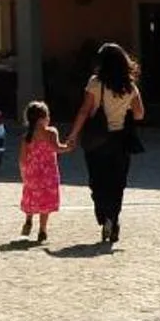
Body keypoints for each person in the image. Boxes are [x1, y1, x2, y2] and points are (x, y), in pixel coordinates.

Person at [60, 42, 145, 245]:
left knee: (97, 181)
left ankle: (103, 214)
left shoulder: (95, 83)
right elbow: (140, 114)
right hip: (121, 140)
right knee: (117, 183)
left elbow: (84, 110)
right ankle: (113, 219)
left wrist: (72, 135)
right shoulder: (130, 86)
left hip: (97, 139)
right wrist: (123, 109)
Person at [16, 101, 61, 244]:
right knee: (45, 201)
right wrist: (68, 146)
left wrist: (24, 174)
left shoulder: (27, 137)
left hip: (32, 174)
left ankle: (28, 220)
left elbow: (22, 159)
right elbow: (57, 148)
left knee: (31, 197)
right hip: (48, 174)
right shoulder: (51, 133)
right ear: (43, 118)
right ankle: (42, 229)